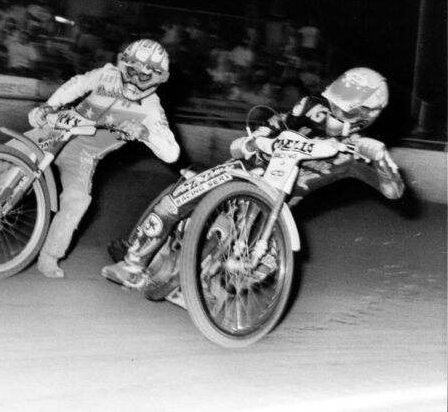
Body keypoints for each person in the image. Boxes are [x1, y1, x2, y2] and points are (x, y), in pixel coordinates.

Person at [102, 67, 406, 288]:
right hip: (246, 169)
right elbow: (271, 126)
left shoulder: (358, 153)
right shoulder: (310, 106)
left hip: (275, 211)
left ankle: (213, 286)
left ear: (365, 115)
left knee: (251, 275)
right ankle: (134, 260)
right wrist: (254, 140)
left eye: (342, 109)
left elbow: (393, 191)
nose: (333, 112)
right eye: (334, 103)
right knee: (178, 197)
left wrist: (381, 160)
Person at [0, 39, 181, 279]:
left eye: (144, 76)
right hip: (58, 128)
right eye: (131, 71)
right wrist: (50, 106)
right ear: (124, 66)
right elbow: (77, 84)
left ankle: (49, 256)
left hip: (83, 154)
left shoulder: (152, 110)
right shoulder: (107, 74)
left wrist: (145, 133)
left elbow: (172, 153)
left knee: (78, 199)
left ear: (157, 78)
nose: (134, 80)